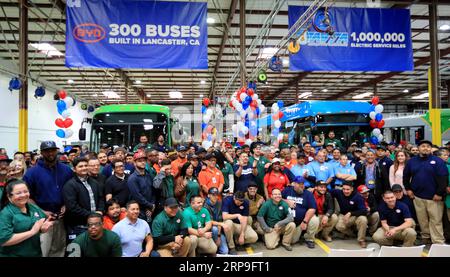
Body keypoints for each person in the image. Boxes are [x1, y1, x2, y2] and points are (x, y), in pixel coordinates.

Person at [22, 141, 73, 257]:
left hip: (61, 219)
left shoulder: (66, 170)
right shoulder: (31, 173)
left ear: (57, 151)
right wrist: (41, 212)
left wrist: (66, 204)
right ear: (41, 153)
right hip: (41, 219)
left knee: (59, 250)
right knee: (42, 251)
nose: (50, 153)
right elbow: (27, 197)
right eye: (47, 151)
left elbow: (71, 191)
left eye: (52, 150)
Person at [403, 140, 448, 244]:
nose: (426, 148)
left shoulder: (438, 161)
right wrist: (408, 189)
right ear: (418, 148)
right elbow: (406, 176)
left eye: (428, 146)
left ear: (431, 149)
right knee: (422, 220)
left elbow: (443, 179)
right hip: (418, 197)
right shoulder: (411, 161)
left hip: (434, 197)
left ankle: (438, 241)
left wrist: (439, 193)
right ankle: (426, 238)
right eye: (423, 146)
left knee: (436, 221)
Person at [0, 179, 54, 257]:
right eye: (18, 193)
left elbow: (41, 223)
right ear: (9, 196)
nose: (23, 195)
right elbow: (4, 240)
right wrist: (32, 232)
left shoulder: (32, 207)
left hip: (35, 253)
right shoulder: (5, 213)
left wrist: (43, 228)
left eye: (25, 191)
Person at [63, 157, 105, 241]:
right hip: (78, 226)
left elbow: (101, 198)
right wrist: (91, 215)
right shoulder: (70, 185)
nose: (84, 168)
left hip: (95, 225)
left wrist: (100, 210)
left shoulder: (94, 182)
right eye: (80, 166)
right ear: (74, 169)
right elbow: (72, 207)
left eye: (86, 165)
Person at [282, 176, 318, 248]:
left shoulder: (308, 194)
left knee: (315, 219)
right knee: (292, 241)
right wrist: (287, 201)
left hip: (302, 221)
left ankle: (309, 239)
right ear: (294, 184)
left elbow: (312, 208)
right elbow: (277, 198)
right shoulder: (287, 190)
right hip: (290, 222)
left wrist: (305, 221)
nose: (302, 185)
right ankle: (300, 235)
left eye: (303, 183)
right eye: (299, 184)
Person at [333, 182, 369, 248]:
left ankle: (361, 240)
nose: (345, 191)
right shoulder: (338, 192)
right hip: (343, 214)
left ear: (352, 189)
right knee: (339, 226)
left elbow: (364, 210)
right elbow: (326, 190)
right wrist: (314, 189)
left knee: (363, 219)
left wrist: (350, 213)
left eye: (348, 189)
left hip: (356, 215)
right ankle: (352, 234)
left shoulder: (358, 196)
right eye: (343, 189)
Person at [127, 151, 156, 225]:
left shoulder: (148, 175)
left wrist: (152, 205)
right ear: (134, 163)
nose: (143, 162)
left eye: (144, 161)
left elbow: (153, 191)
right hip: (139, 210)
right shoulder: (132, 178)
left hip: (150, 209)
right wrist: (150, 205)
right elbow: (137, 196)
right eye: (139, 161)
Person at [204, 187, 229, 254]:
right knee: (214, 229)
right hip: (208, 230)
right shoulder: (204, 205)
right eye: (213, 195)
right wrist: (221, 225)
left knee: (225, 251)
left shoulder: (219, 203)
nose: (215, 196)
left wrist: (218, 235)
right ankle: (213, 248)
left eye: (216, 194)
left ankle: (217, 247)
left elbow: (220, 219)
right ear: (208, 195)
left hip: (218, 229)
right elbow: (210, 222)